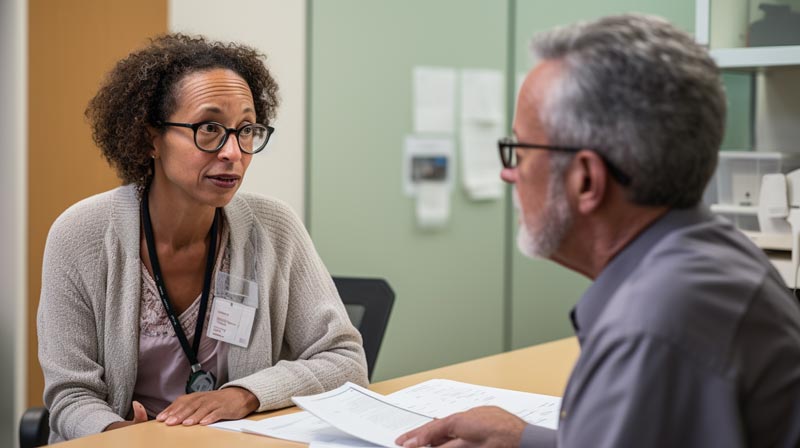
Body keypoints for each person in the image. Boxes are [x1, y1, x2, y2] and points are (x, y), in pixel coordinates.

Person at [397, 14, 800, 448]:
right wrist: (523, 439)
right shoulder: (712, 255)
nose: (507, 174)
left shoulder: (654, 326)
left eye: (519, 150)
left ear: (586, 179)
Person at [37, 34, 368, 443]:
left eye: (246, 130)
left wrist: (244, 394)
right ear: (150, 138)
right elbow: (71, 395)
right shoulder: (80, 235)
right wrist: (121, 435)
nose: (233, 151)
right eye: (209, 129)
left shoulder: (274, 227)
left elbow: (346, 360)